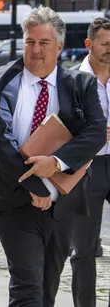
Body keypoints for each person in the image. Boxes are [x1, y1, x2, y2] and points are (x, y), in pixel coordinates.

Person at [0, 6, 106, 307]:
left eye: (44, 43)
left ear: (59, 46)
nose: (35, 50)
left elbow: (95, 133)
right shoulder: (3, 81)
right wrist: (34, 186)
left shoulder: (80, 85)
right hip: (15, 200)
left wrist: (56, 162)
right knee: (27, 288)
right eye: (30, 42)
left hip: (62, 205)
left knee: (46, 289)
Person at [70, 17, 110, 307]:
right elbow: (58, 127)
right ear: (89, 44)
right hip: (87, 168)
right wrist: (91, 133)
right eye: (106, 44)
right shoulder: (71, 81)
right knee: (83, 248)